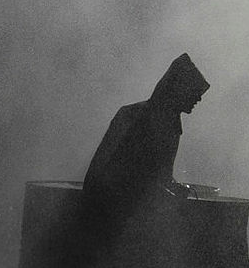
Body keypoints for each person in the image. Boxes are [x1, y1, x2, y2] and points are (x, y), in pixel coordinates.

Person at [83, 52, 210, 217]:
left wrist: (174, 188)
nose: (198, 98)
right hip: (111, 212)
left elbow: (159, 177)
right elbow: (128, 175)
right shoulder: (134, 116)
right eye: (194, 91)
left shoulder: (171, 127)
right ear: (179, 89)